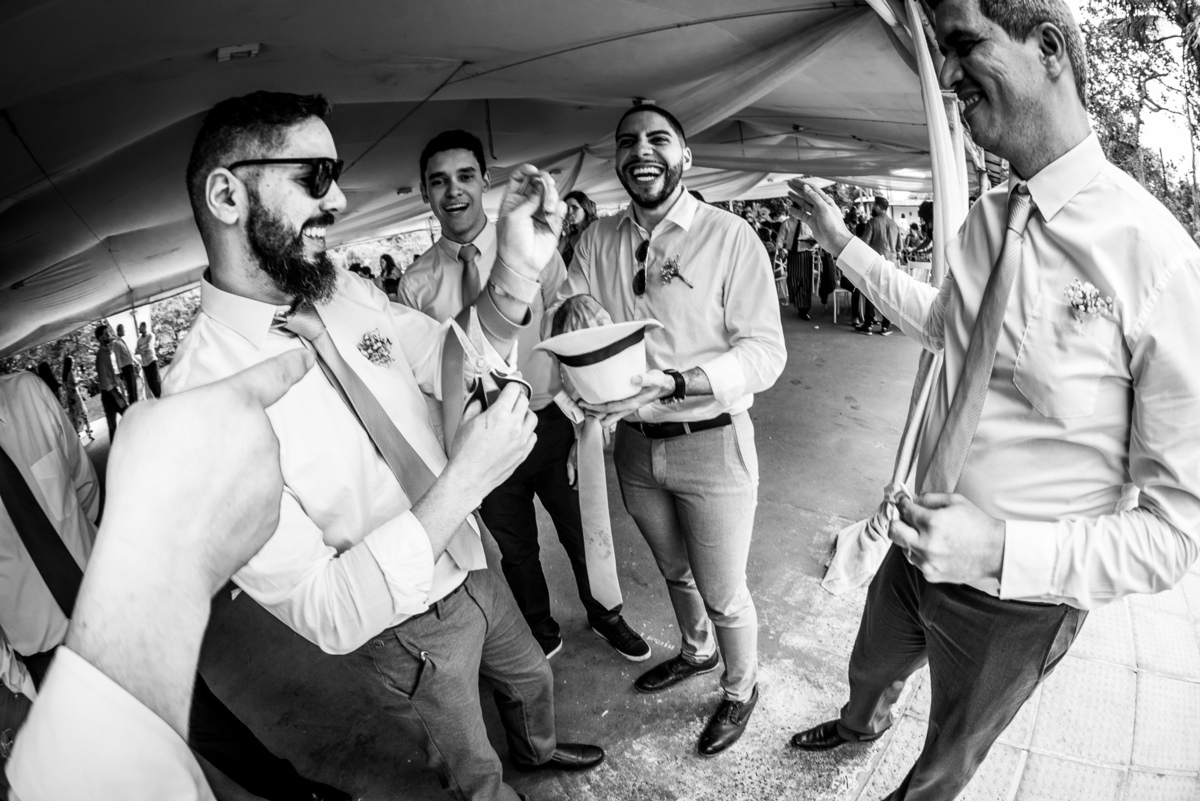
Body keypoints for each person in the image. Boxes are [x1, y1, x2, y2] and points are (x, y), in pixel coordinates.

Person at [786, 0, 1200, 796]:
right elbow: (942, 326)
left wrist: (999, 550)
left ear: (1048, 47)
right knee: (868, 667)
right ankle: (857, 723)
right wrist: (839, 242)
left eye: (963, 46)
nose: (943, 77)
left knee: (945, 760)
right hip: (910, 549)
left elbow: (1175, 534)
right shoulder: (985, 221)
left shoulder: (1160, 266)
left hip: (1019, 609)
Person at [164, 92, 604, 801]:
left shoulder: (340, 288)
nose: (338, 199)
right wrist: (465, 481)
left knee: (531, 677)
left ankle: (540, 750)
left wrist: (518, 271)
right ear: (226, 193)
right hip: (403, 626)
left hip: (471, 555)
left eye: (334, 175)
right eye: (313, 177)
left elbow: (445, 355)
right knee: (469, 764)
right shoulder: (196, 405)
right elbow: (328, 609)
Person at [0, 357, 348, 801]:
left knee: (203, 721)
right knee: (111, 774)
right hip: (42, 653)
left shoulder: (28, 393)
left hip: (113, 605)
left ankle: (293, 792)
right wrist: (17, 677)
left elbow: (85, 488)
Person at [551, 105, 786, 757]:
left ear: (687, 157)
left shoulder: (730, 237)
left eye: (659, 138)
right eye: (628, 141)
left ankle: (741, 687)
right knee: (675, 570)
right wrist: (572, 302)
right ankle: (697, 650)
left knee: (723, 587)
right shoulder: (597, 239)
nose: (641, 149)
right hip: (632, 445)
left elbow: (766, 353)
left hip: (711, 438)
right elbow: (570, 308)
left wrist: (684, 381)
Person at [400, 129, 649, 661]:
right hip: (482, 441)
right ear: (424, 193)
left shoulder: (531, 244)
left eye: (465, 176)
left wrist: (590, 409)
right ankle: (539, 627)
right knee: (514, 550)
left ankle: (607, 615)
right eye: (438, 181)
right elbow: (423, 381)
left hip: (549, 421)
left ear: (484, 180)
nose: (453, 191)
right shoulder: (415, 286)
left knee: (584, 531)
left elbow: (571, 317)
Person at [855, 196, 899, 336]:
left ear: (878, 207)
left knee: (871, 291)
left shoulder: (872, 222)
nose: (873, 208)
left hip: (876, 261)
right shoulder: (894, 224)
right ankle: (886, 326)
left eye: (874, 205)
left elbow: (864, 242)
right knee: (887, 294)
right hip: (892, 263)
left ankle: (868, 324)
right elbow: (899, 246)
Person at [94, 324, 127, 435]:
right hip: (109, 395)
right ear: (100, 338)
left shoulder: (106, 352)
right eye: (106, 334)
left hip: (111, 392)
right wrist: (117, 397)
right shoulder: (101, 355)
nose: (109, 335)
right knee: (113, 426)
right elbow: (104, 380)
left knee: (125, 416)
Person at [558, 189, 598, 268]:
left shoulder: (595, 232)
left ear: (585, 209)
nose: (570, 212)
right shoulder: (568, 237)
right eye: (567, 208)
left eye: (575, 208)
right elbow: (555, 258)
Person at [60, 355, 94, 440]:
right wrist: (80, 381)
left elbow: (65, 387)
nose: (74, 363)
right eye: (73, 362)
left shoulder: (64, 375)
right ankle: (88, 431)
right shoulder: (70, 373)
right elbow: (73, 385)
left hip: (70, 397)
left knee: (74, 415)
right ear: (70, 363)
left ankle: (76, 433)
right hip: (75, 396)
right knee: (82, 413)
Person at [113, 323, 139, 402]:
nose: (124, 331)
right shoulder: (116, 343)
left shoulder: (122, 341)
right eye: (123, 330)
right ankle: (133, 404)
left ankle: (136, 403)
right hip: (126, 368)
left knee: (134, 386)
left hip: (130, 366)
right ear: (119, 331)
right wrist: (120, 371)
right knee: (130, 388)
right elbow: (118, 357)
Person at [137, 321, 162, 398]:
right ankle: (157, 398)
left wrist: (141, 348)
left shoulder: (151, 335)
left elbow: (149, 346)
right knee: (151, 384)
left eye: (140, 327)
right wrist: (143, 348)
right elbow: (136, 351)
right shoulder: (139, 340)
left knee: (156, 381)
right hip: (145, 364)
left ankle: (162, 396)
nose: (138, 329)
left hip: (151, 362)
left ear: (144, 327)